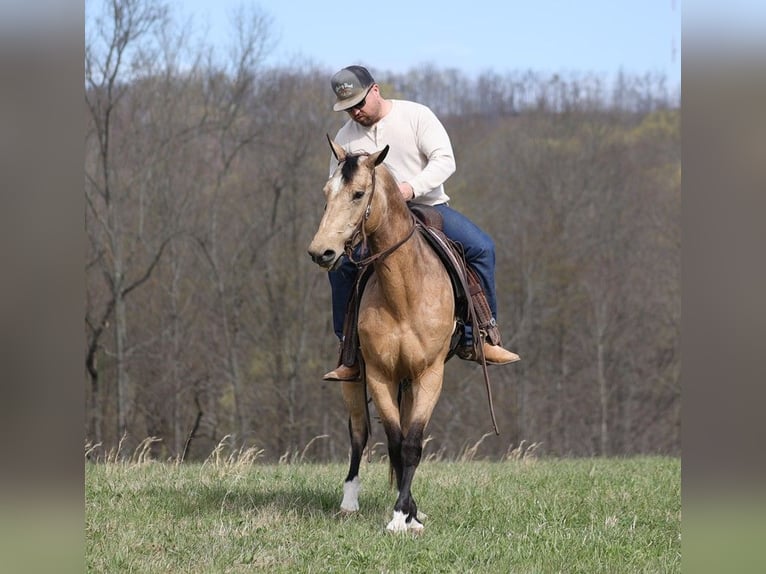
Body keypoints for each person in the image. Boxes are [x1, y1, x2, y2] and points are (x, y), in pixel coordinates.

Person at [323, 65, 520, 381]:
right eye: (348, 108)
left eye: (359, 103)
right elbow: (340, 187)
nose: (355, 112)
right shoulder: (346, 137)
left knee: (482, 248)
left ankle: (481, 337)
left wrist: (409, 188)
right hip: (373, 219)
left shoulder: (416, 116)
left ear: (375, 90)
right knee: (342, 265)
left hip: (428, 206)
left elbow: (445, 160)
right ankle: (350, 353)